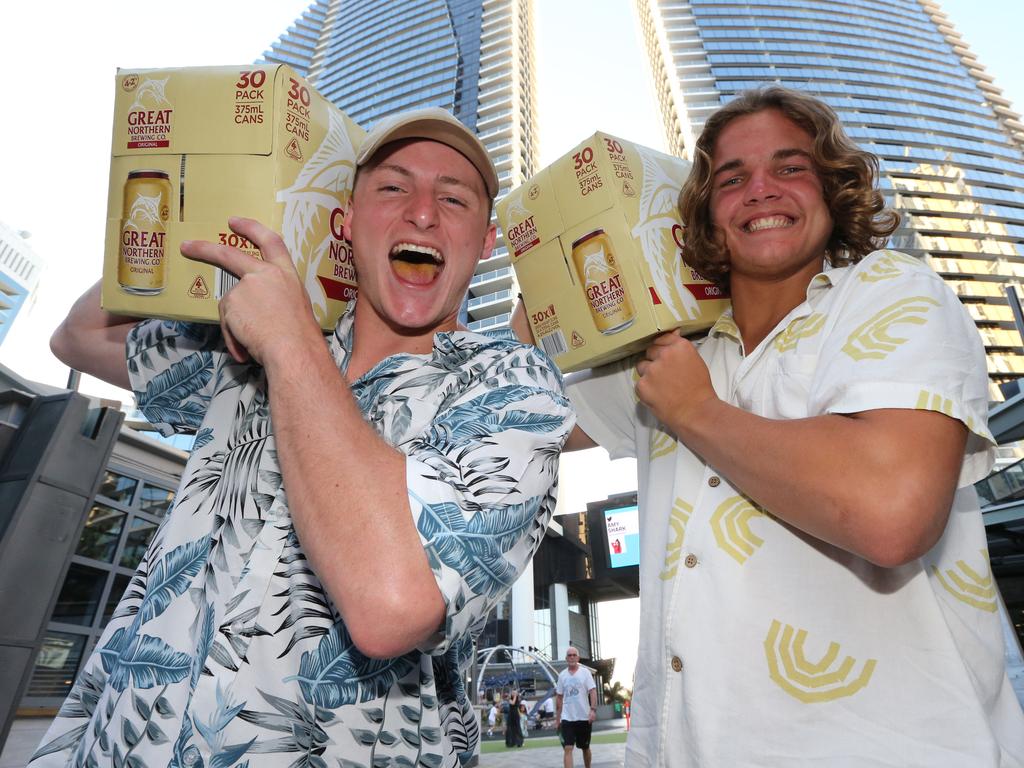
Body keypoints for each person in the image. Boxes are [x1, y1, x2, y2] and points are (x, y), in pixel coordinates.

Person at [32, 108, 574, 768]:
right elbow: (79, 337)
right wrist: (210, 214)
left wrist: (288, 343)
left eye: (453, 198)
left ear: (486, 240)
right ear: (343, 222)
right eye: (393, 187)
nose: (424, 213)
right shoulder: (248, 348)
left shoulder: (513, 386)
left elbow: (391, 607)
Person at [517, 87, 1024, 766]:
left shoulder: (889, 292)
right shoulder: (680, 358)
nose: (760, 190)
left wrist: (697, 412)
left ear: (832, 192)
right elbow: (524, 419)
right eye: (732, 178)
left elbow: (892, 510)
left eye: (790, 168)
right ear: (702, 215)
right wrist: (541, 317)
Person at [555, 647, 597, 768]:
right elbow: (559, 698)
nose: (572, 657)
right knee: (568, 748)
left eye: (574, 655)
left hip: (584, 717)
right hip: (567, 718)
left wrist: (593, 710)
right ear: (566, 658)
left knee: (585, 747)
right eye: (569, 655)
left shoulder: (585, 673)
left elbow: (593, 691)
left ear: (578, 658)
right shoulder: (562, 676)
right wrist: (558, 719)